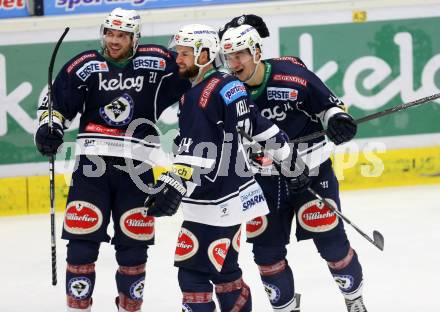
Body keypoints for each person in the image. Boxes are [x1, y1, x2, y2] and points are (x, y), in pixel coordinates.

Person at [144, 23, 309, 312]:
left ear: (205, 54)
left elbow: (199, 154)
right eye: (178, 53)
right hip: (237, 195)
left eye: (184, 53)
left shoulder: (198, 97)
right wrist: (288, 157)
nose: (177, 59)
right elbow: (259, 125)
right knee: (225, 272)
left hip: (213, 199)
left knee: (193, 275)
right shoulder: (229, 84)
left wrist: (172, 185)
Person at [35, 8, 190, 312]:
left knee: (133, 249)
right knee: (81, 244)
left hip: (138, 167)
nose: (114, 41)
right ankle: (79, 307)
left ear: (135, 38)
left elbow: (195, 70)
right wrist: (49, 127)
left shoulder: (159, 61)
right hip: (92, 166)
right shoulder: (85, 65)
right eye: (110, 33)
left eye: (122, 35)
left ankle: (130, 307)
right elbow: (54, 104)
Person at [219, 15, 366, 312]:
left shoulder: (293, 75)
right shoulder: (228, 90)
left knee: (332, 244)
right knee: (266, 255)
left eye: (240, 55)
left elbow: (329, 107)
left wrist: (338, 120)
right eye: (228, 57)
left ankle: (354, 300)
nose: (234, 63)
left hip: (312, 174)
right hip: (263, 181)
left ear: (257, 53)